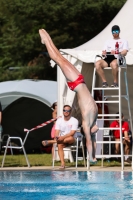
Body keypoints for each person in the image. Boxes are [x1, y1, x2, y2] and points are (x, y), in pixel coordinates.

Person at [39, 29, 98, 163]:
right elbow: (92, 140)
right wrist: (93, 154)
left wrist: (92, 157)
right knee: (60, 58)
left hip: (76, 82)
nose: (95, 134)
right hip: (78, 81)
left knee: (58, 58)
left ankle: (46, 40)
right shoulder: (94, 117)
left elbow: (89, 140)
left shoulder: (86, 122)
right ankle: (46, 39)